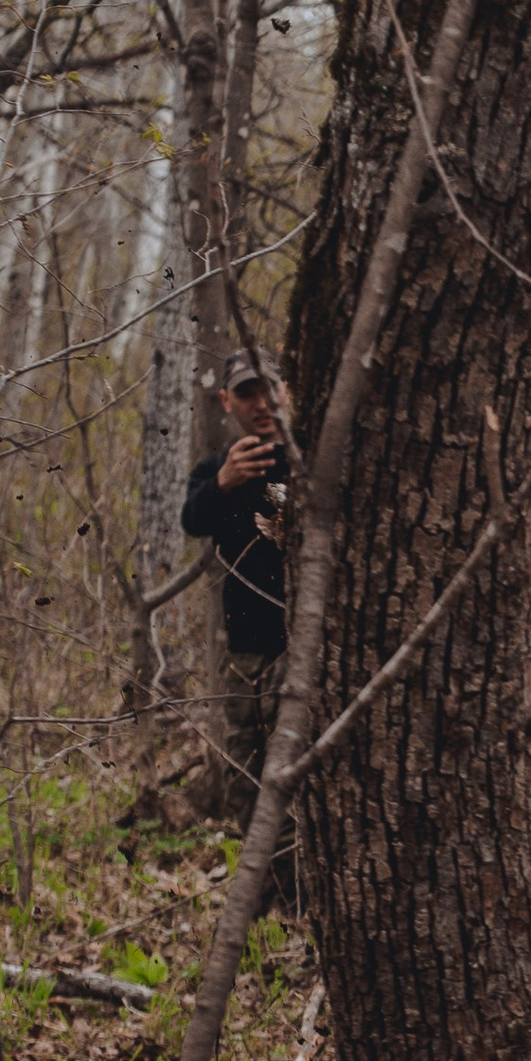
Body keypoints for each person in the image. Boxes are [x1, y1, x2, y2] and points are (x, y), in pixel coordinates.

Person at [181, 349, 291, 826]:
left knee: (295, 777)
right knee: (245, 776)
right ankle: (262, 891)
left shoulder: (309, 462)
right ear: (227, 401)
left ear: (287, 392)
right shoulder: (215, 470)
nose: (260, 403)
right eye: (247, 393)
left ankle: (295, 886)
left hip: (302, 649)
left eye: (269, 388)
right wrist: (224, 482)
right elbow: (192, 519)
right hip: (245, 655)